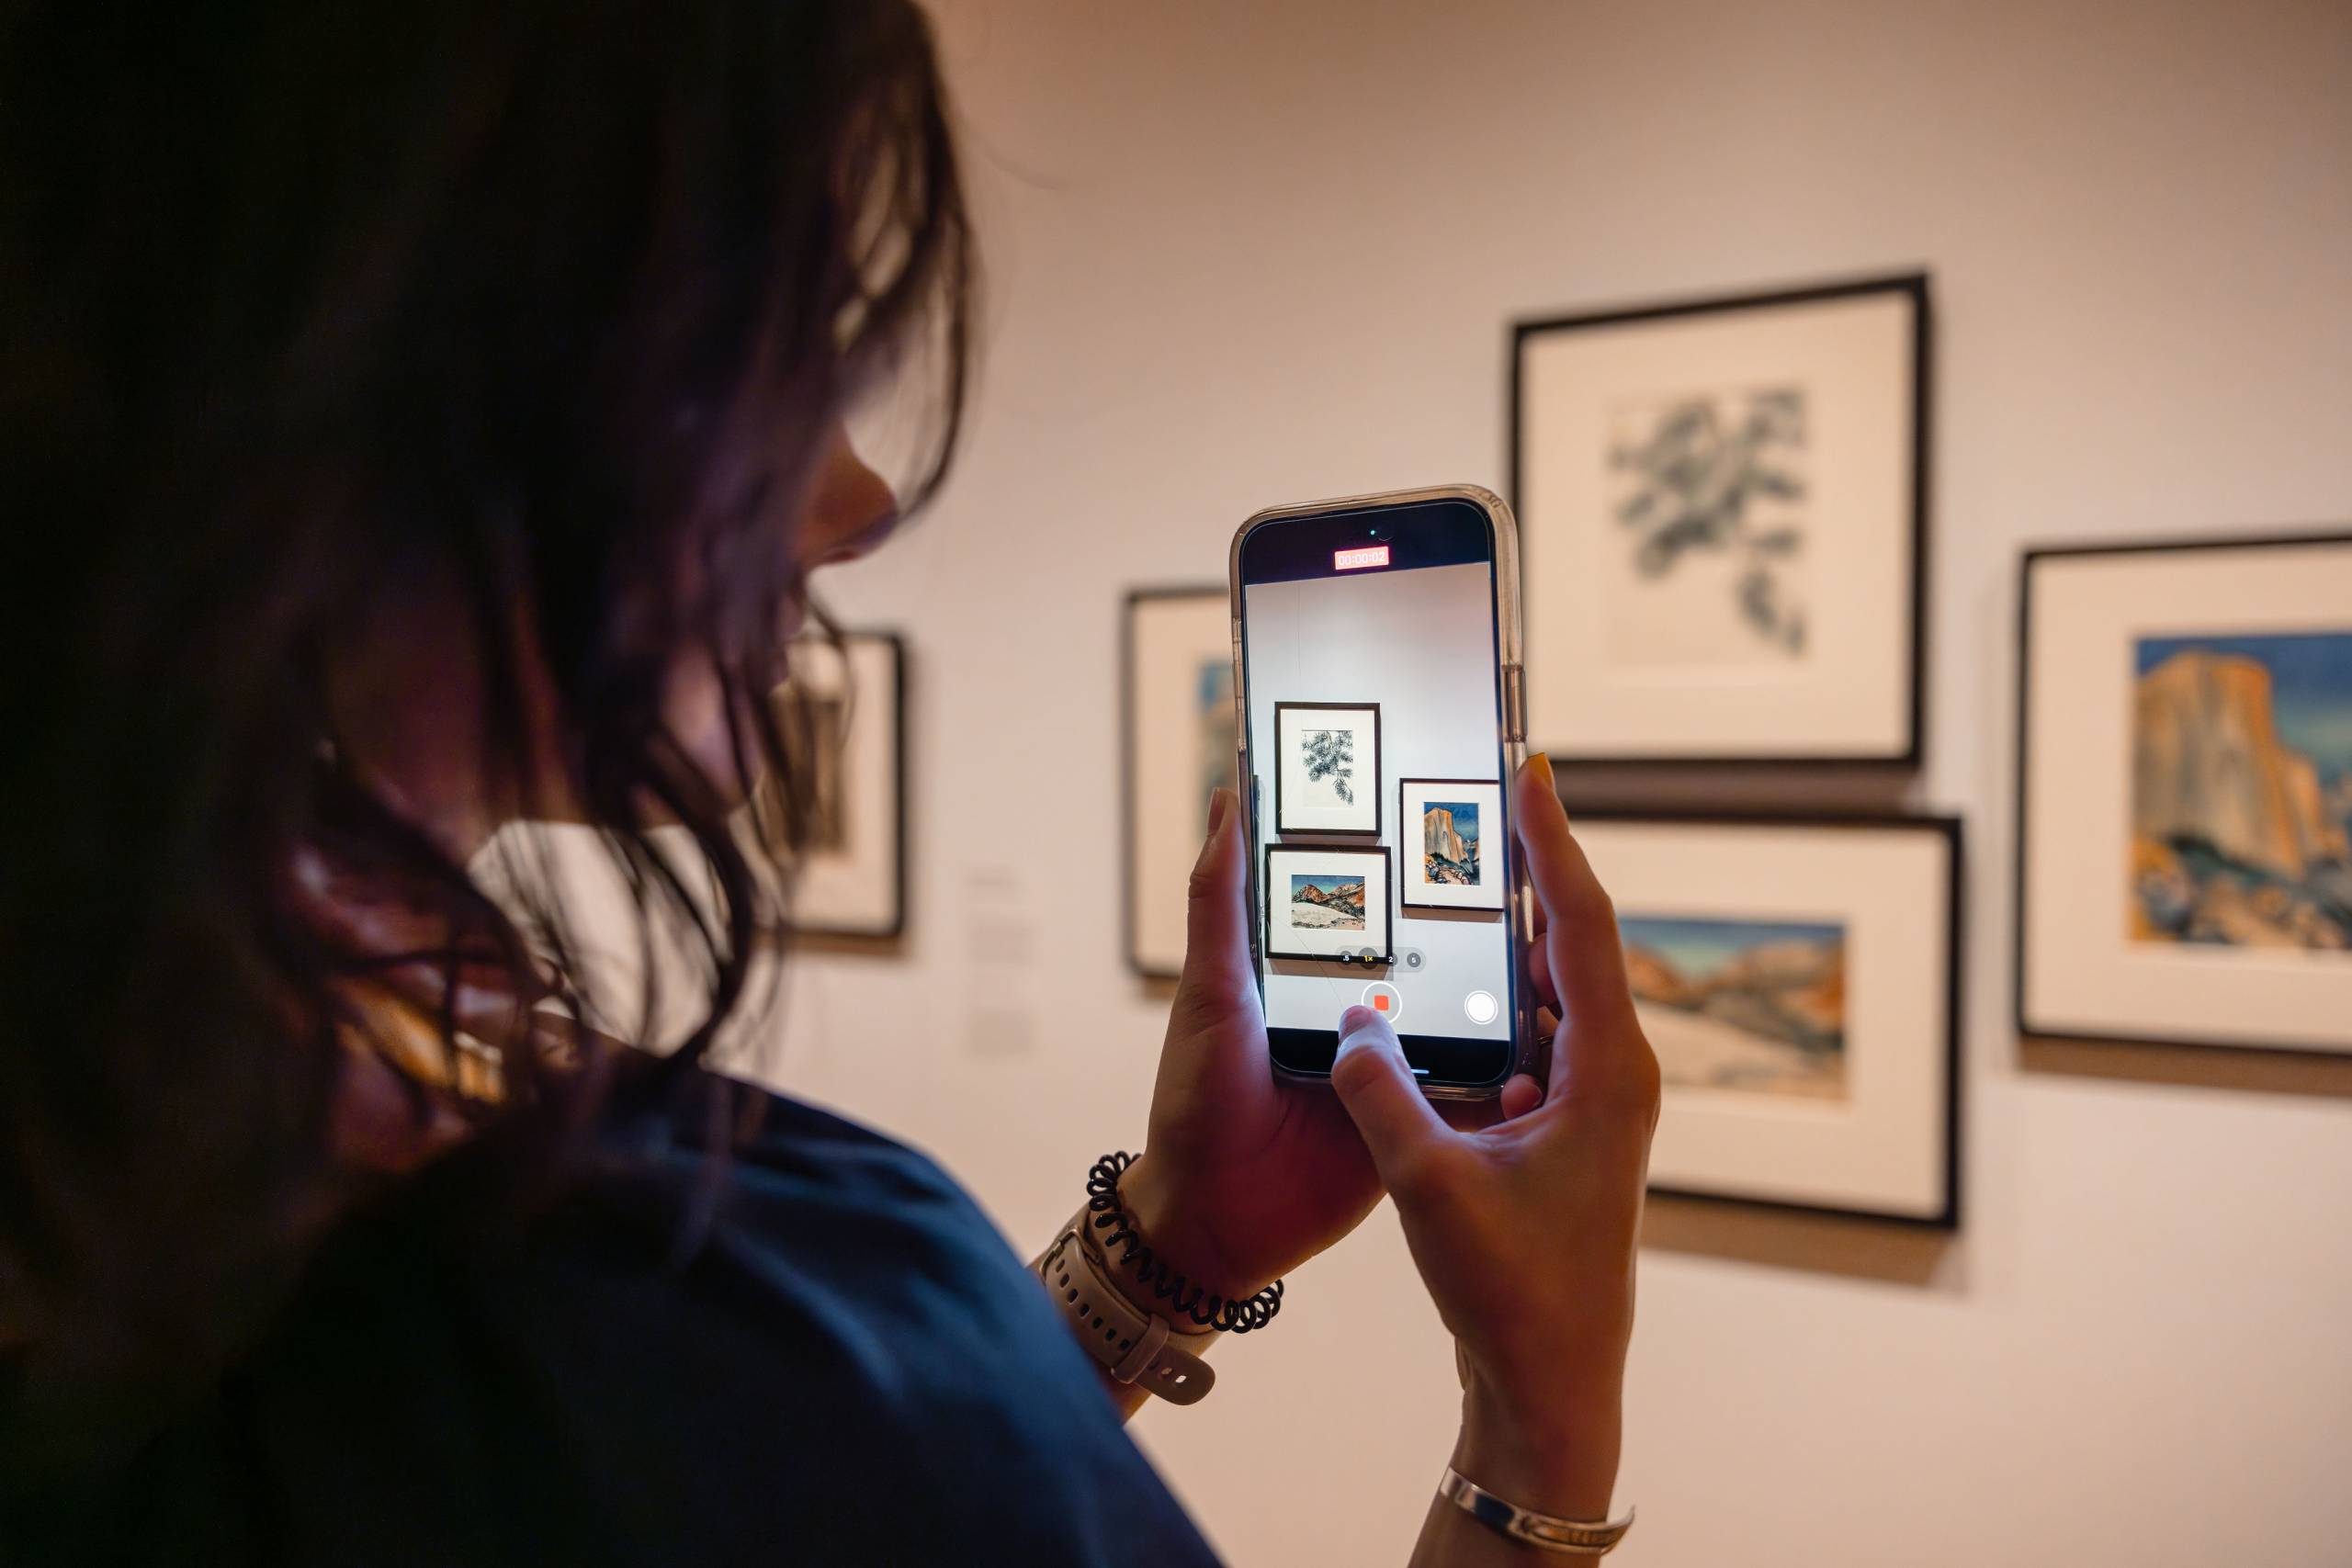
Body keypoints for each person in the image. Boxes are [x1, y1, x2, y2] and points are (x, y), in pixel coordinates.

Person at [0, 3, 1661, 1562]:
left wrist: (1171, 1251)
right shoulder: (620, 1305)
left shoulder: (124, 1141)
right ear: (390, 351)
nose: (859, 496)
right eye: (778, 347)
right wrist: (1538, 1433)